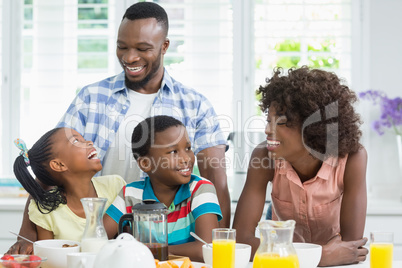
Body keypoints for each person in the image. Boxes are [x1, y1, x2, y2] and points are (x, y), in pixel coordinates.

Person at [7, 2, 229, 254]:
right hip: (105, 235)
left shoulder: (195, 105)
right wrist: (27, 232)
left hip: (167, 241)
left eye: (142, 48)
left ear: (165, 46)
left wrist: (220, 250)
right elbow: (52, 163)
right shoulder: (91, 98)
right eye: (122, 47)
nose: (129, 57)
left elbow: (217, 183)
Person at [232, 66, 369, 266]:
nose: (267, 130)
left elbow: (351, 248)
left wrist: (316, 257)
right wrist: (321, 256)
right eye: (268, 120)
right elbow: (241, 241)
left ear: (313, 127)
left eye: (281, 122)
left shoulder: (353, 159)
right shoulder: (264, 158)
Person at [104, 115, 222, 261]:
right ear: (146, 164)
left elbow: (206, 249)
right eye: (174, 152)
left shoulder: (200, 189)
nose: (186, 158)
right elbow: (100, 239)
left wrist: (151, 252)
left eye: (188, 148)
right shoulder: (130, 194)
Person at [12, 128, 125, 241]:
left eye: (83, 139)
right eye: (76, 141)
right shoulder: (46, 211)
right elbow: (47, 255)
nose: (89, 142)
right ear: (59, 165)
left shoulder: (116, 186)